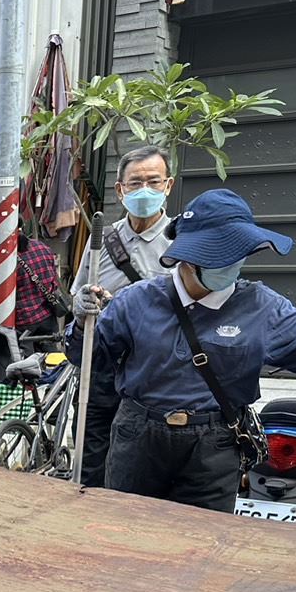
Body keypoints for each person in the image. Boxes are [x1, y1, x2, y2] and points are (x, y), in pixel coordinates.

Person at [72, 188, 296, 513]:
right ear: (190, 257)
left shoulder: (260, 308)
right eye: (225, 255)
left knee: (204, 546)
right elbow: (88, 359)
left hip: (215, 444)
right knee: (127, 532)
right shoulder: (136, 301)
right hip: (140, 438)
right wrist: (83, 324)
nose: (234, 264)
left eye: (241, 253)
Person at [72, 145, 177, 487]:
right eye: (135, 183)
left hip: (155, 373)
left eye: (153, 181)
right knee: (91, 461)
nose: (144, 190)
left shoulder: (182, 243)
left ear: (169, 186)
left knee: (140, 470)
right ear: (120, 190)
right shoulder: (104, 238)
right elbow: (77, 292)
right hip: (103, 364)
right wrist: (83, 302)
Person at [14, 232, 63, 338]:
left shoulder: (8, 259)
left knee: (25, 354)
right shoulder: (42, 247)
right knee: (51, 353)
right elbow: (53, 277)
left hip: (24, 321)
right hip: (48, 314)